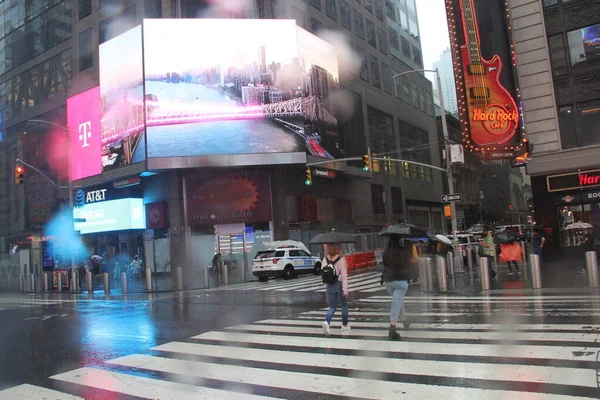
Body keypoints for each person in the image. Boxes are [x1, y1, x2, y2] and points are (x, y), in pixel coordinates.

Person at [381, 236, 413, 341]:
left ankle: (404, 321)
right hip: (401, 280)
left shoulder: (386, 252)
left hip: (388, 281)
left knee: (398, 301)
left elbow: (385, 265)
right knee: (397, 302)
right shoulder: (403, 251)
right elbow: (409, 260)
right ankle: (392, 328)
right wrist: (407, 243)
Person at [322, 244, 350, 337]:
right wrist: (345, 290)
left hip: (329, 285)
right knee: (344, 305)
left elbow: (324, 274)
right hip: (339, 284)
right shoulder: (341, 260)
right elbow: (344, 276)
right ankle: (345, 325)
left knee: (332, 307)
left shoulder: (325, 259)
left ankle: (327, 321)